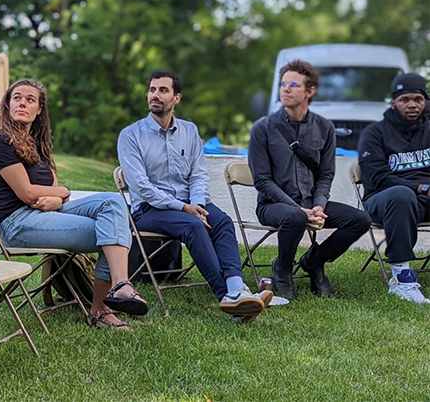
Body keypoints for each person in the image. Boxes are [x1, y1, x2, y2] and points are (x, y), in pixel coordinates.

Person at [0, 79, 148, 331]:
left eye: (30, 100)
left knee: (113, 202)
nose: (22, 103)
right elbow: (27, 192)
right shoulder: (0, 141)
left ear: (39, 110)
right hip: (17, 224)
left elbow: (51, 186)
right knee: (112, 232)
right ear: (7, 104)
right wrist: (63, 193)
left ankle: (120, 287)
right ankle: (102, 308)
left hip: (46, 212)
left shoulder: (36, 141)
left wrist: (57, 198)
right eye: (16, 98)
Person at [117, 69, 272, 322]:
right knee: (193, 225)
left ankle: (237, 289)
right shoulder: (130, 135)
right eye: (152, 90)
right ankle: (226, 297)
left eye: (163, 90)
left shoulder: (189, 131)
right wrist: (184, 208)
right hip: (149, 210)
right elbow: (142, 188)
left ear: (176, 98)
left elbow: (198, 175)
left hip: (189, 205)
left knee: (221, 221)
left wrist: (197, 203)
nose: (155, 95)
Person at [248, 60, 371, 299]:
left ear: (310, 91)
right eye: (283, 84)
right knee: (294, 216)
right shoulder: (262, 129)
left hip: (312, 203)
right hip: (273, 206)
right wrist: (299, 210)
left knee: (361, 219)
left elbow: (326, 174)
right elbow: (262, 181)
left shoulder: (325, 128)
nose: (286, 89)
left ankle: (315, 260)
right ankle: (282, 267)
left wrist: (318, 207)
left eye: (293, 84)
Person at [358, 72, 430, 303]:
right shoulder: (375, 133)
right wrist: (421, 187)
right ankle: (402, 280)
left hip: (424, 199)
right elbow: (378, 178)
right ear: (393, 103)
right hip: (384, 199)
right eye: (404, 99)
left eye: (417, 99)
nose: (411, 105)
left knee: (408, 195)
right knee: (402, 194)